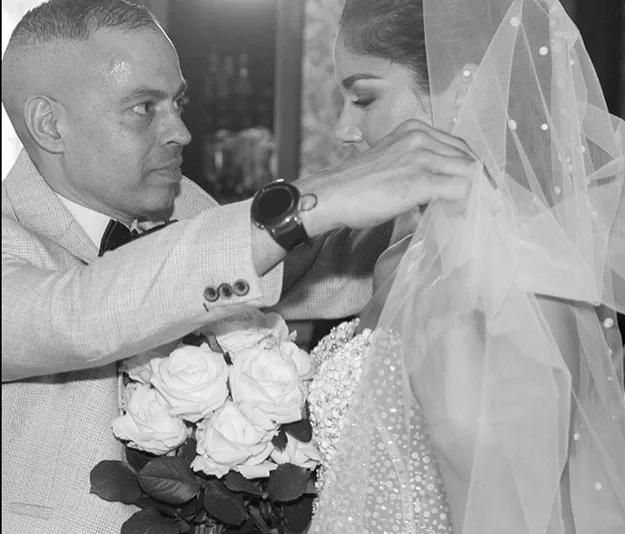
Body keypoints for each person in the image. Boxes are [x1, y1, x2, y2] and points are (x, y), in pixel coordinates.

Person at [0, 0, 483, 532]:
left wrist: (464, 192)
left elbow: (294, 271)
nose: (181, 132)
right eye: (143, 108)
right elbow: (79, 313)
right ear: (49, 124)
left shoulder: (183, 203)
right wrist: (314, 198)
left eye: (177, 103)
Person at [308, 0, 625, 533]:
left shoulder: (516, 271)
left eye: (363, 98)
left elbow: (507, 510)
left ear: (463, 89)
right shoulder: (401, 253)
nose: (345, 129)